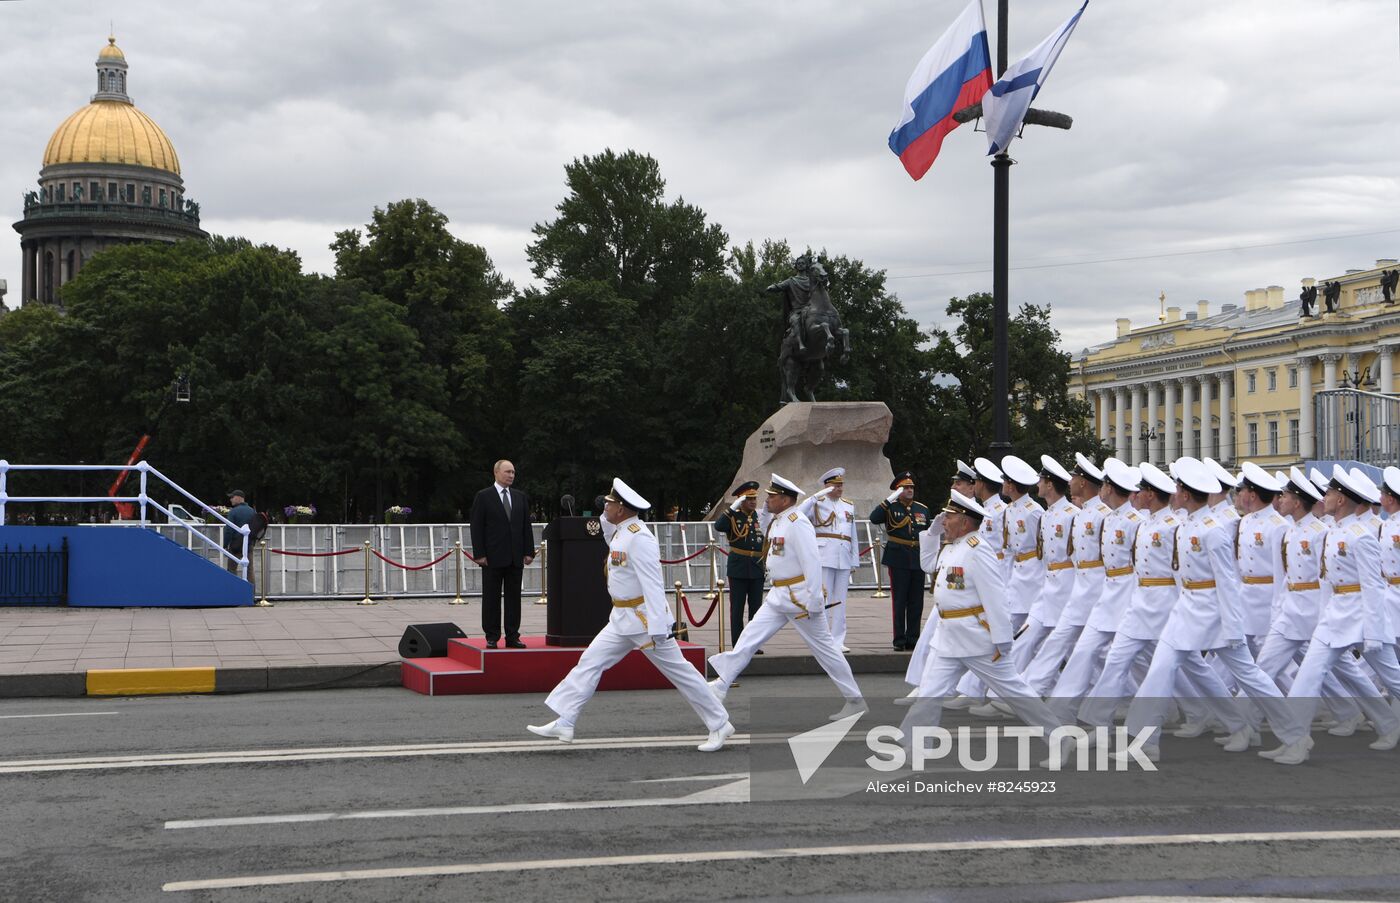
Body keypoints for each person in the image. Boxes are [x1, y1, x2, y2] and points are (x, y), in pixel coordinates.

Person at [528, 478, 733, 751]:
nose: (605, 506)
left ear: (622, 509)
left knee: (680, 673)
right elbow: (606, 529)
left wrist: (659, 626)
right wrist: (605, 513)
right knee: (590, 662)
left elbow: (653, 583)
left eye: (610, 503)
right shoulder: (620, 531)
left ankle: (719, 723)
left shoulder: (639, 537)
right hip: (621, 618)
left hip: (644, 620)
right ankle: (566, 720)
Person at [1117, 458, 1291, 764]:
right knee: (1160, 671)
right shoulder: (1185, 525)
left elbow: (1227, 582)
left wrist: (1233, 628)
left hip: (1214, 615)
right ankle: (1147, 742)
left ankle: (1294, 733)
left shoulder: (1213, 531)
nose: (1173, 492)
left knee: (1250, 675)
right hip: (1185, 611)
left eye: (1177, 488)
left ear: (1185, 494)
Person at [900, 490, 1068, 765]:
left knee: (1016, 694)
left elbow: (996, 597)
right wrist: (931, 534)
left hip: (978, 641)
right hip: (948, 638)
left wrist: (1003, 641)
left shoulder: (978, 550)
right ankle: (915, 748)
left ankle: (1060, 739)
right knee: (929, 694)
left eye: (949, 517)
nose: (944, 521)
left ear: (965, 521)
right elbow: (927, 564)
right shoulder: (952, 547)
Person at [1260, 467, 1400, 764]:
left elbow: (1373, 587)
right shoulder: (1332, 532)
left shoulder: (1361, 536)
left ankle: (1389, 725)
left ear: (1342, 500)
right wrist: (1322, 619)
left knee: (1394, 679)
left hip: (1361, 617)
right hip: (1334, 616)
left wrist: (1374, 632)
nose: (1325, 498)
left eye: (1331, 494)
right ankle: (1295, 741)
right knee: (1307, 678)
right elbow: (1327, 581)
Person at [710, 474, 866, 719]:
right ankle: (722, 684)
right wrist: (765, 510)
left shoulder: (797, 522)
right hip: (778, 595)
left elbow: (812, 561)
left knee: (826, 651)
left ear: (785, 500)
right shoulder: (779, 520)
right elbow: (764, 529)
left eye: (772, 497)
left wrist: (815, 599)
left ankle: (855, 700)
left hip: (800, 599)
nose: (767, 500)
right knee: (750, 637)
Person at [470, 460, 536, 649]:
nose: (511, 475)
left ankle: (512, 636)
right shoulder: (484, 496)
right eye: (507, 472)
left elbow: (526, 526)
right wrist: (479, 554)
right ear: (496, 473)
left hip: (515, 557)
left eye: (513, 472)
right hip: (492, 557)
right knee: (491, 598)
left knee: (514, 599)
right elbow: (476, 526)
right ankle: (492, 636)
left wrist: (529, 551)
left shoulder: (520, 497)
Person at [798, 467, 860, 652]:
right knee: (823, 599)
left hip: (843, 555)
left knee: (841, 601)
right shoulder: (817, 503)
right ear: (827, 486)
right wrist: (814, 497)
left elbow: (852, 534)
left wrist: (854, 560)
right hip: (824, 556)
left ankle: (838, 640)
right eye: (836, 485)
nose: (840, 489)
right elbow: (799, 514)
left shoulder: (848, 505)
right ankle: (823, 638)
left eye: (841, 485)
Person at [870, 472, 932, 651]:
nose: (909, 490)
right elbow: (874, 518)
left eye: (911, 487)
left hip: (917, 558)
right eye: (905, 487)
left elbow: (928, 533)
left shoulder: (922, 509)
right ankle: (899, 639)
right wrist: (889, 500)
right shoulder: (891, 507)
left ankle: (913, 638)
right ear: (898, 490)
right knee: (899, 601)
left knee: (916, 601)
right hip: (898, 558)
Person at [714, 481, 766, 649]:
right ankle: (738, 644)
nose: (753, 502)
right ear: (741, 500)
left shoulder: (760, 516)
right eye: (748, 499)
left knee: (756, 609)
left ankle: (753, 644)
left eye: (754, 498)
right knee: (737, 609)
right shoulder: (733, 516)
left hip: (757, 566)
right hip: (738, 567)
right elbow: (719, 526)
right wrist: (731, 508)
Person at [222, 490, 257, 582]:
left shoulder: (233, 512)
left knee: (232, 569)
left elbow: (228, 530)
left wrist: (225, 544)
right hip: (248, 544)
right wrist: (252, 543)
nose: (230, 499)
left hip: (235, 546)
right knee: (249, 570)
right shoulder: (252, 511)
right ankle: (251, 590)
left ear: (238, 497)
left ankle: (233, 589)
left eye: (232, 497)